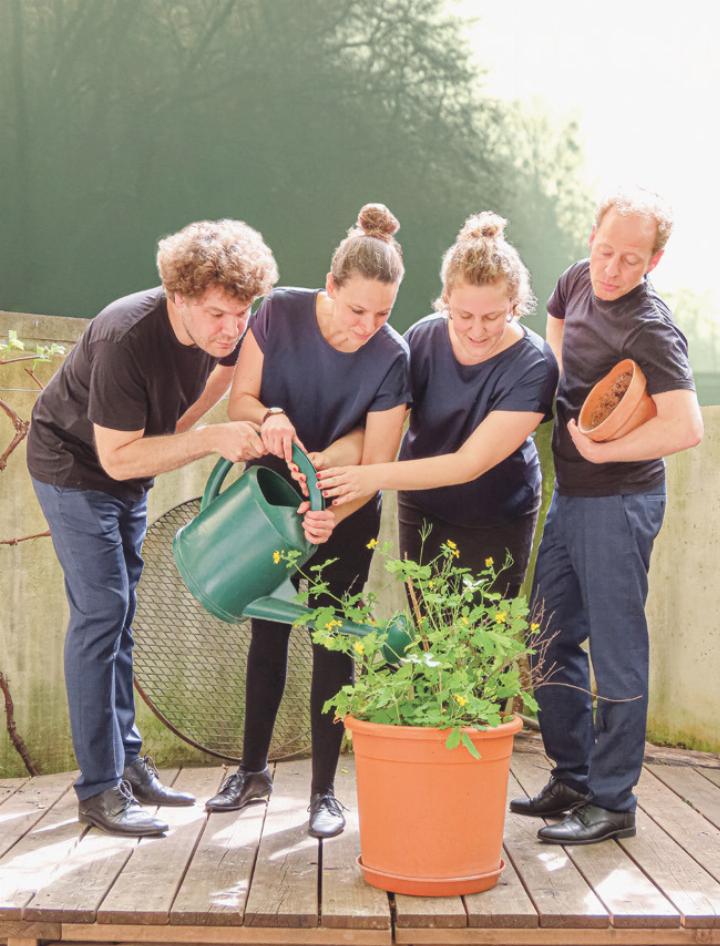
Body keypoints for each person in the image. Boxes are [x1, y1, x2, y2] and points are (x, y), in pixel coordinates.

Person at [27, 219, 279, 837]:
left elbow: (221, 376)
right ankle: (98, 789)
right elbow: (114, 457)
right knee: (101, 614)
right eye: (219, 314)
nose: (233, 328)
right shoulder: (124, 337)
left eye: (242, 313)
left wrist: (176, 430)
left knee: (122, 612)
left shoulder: (227, 332)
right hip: (74, 467)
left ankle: (129, 764)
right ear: (179, 296)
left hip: (127, 470)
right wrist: (205, 439)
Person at [205, 203, 410, 838]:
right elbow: (240, 398)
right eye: (358, 311)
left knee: (331, 637)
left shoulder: (393, 357)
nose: (369, 326)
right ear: (330, 289)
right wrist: (269, 417)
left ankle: (322, 793)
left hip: (346, 514)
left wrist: (332, 514)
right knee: (267, 630)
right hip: (268, 501)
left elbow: (378, 461)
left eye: (383, 314)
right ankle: (252, 770)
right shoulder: (278, 312)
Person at [510, 187, 704, 844]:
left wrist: (607, 444)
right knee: (544, 636)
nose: (613, 269)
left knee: (617, 651)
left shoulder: (651, 330)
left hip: (621, 503)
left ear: (653, 260)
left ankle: (614, 801)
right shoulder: (575, 280)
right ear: (590, 240)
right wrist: (562, 382)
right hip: (571, 495)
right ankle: (574, 777)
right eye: (605, 251)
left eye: (630, 259)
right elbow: (558, 319)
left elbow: (686, 427)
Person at [315, 212, 559, 598]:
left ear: (515, 304)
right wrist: (331, 458)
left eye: (492, 317)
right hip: (423, 508)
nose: (477, 330)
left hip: (498, 516)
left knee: (480, 643)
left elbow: (469, 464)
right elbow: (382, 425)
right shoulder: (421, 339)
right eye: (463, 316)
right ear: (446, 300)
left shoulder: (535, 365)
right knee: (428, 637)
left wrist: (372, 477)